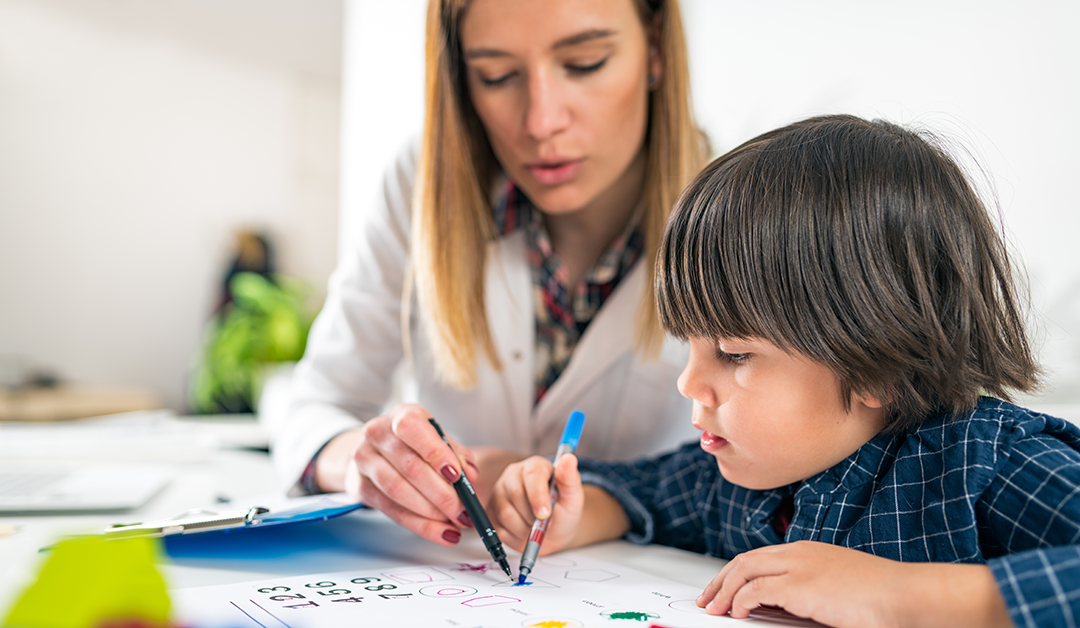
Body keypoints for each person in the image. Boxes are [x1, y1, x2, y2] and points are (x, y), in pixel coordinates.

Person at [490, 115, 1080, 628]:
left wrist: (897, 596)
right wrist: (574, 511)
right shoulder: (744, 473)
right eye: (688, 347)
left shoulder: (989, 466)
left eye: (735, 353)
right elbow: (647, 494)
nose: (688, 384)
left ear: (880, 362)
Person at [269, 0, 707, 548]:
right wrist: (364, 464)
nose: (540, 121)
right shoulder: (421, 185)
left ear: (656, 48)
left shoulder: (748, 213)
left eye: (586, 63)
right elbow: (313, 406)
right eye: (496, 75)